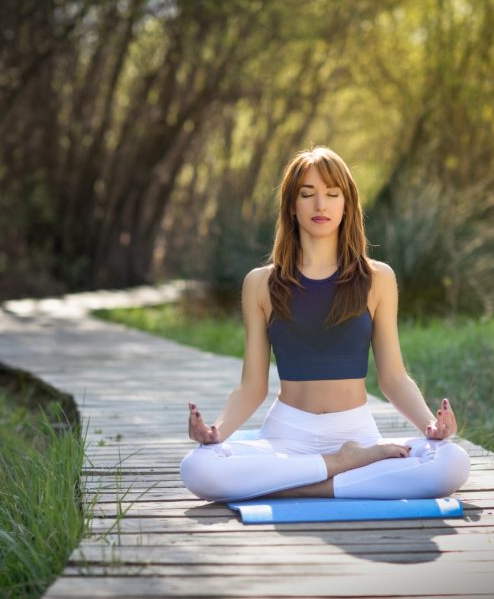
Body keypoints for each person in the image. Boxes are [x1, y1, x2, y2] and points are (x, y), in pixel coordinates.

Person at [180, 145, 471, 503]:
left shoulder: (377, 278)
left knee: (452, 462)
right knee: (197, 469)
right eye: (308, 195)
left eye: (332, 195)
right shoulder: (260, 283)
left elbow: (393, 378)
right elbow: (252, 387)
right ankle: (339, 466)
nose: (321, 206)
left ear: (347, 205)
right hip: (287, 434)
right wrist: (216, 432)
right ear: (291, 205)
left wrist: (430, 426)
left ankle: (296, 484)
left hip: (356, 431)